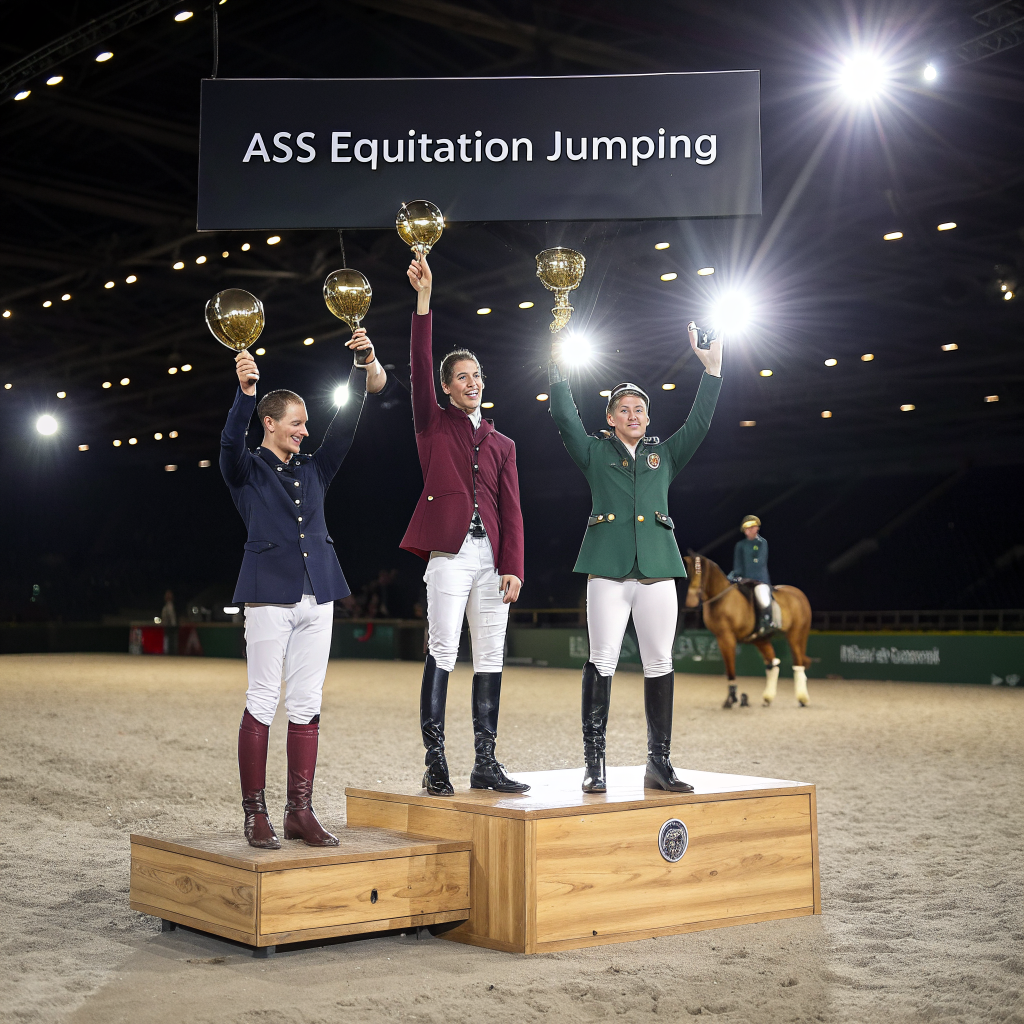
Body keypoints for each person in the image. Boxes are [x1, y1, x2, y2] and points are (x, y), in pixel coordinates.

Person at [220, 328, 391, 849]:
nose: (304, 431)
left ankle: (300, 812)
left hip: (319, 593)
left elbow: (344, 428)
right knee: (263, 699)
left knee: (308, 703)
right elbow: (230, 443)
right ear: (269, 424)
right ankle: (256, 815)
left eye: (305, 424)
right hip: (268, 593)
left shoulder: (315, 469)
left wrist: (361, 367)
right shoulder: (245, 469)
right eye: (295, 424)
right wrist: (244, 396)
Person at [548, 324, 723, 794]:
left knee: (659, 661)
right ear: (610, 417)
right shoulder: (593, 451)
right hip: (607, 567)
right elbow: (564, 418)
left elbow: (700, 425)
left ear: (647, 417)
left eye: (639, 409)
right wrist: (558, 370)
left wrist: (712, 370)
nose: (633, 415)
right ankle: (595, 762)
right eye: (624, 409)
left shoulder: (663, 455)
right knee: (601, 659)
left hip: (658, 570)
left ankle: (659, 763)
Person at [401, 254, 528, 797]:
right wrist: (424, 304)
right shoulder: (432, 424)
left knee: (493, 657)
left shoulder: (503, 443)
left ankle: (485, 763)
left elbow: (514, 510)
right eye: (462, 377)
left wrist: (513, 567)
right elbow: (419, 362)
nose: (471, 382)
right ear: (447, 388)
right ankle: (436, 763)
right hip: (449, 557)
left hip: (490, 563)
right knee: (444, 651)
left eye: (477, 375)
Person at [729, 515, 773, 638]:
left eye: (751, 528)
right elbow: (738, 563)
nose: (748, 531)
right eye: (746, 528)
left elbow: (759, 562)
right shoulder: (740, 545)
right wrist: (736, 576)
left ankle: (767, 622)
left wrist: (750, 578)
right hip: (743, 580)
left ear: (756, 528)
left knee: (763, 598)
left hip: (759, 579)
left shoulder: (762, 543)